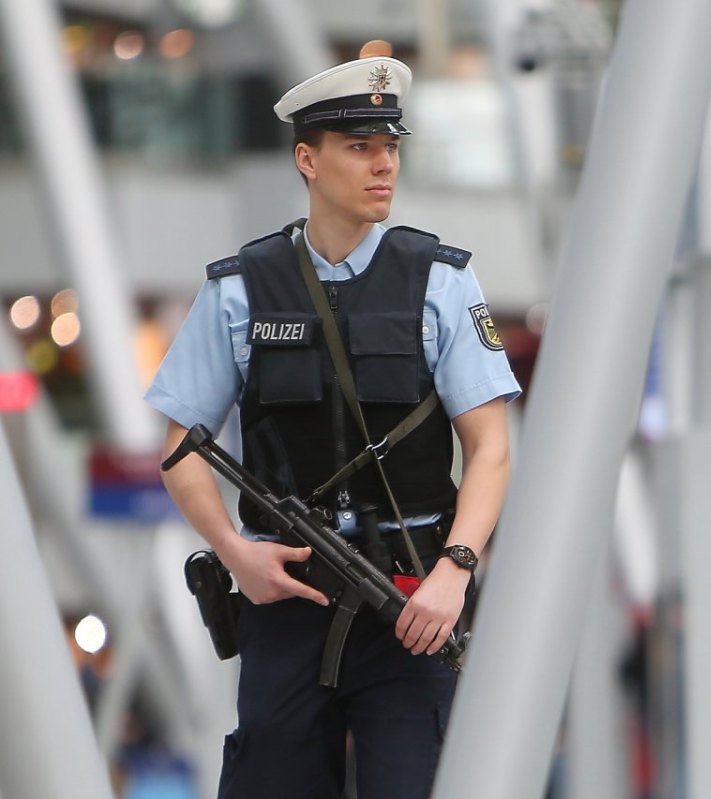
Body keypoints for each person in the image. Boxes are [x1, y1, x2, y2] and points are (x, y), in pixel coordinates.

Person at [145, 51, 521, 798]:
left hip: (411, 595)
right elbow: (181, 448)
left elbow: (491, 449)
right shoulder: (240, 289)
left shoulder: (440, 280)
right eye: (360, 148)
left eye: (390, 148)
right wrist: (232, 550)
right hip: (285, 599)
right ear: (307, 160)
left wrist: (456, 570)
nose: (384, 165)